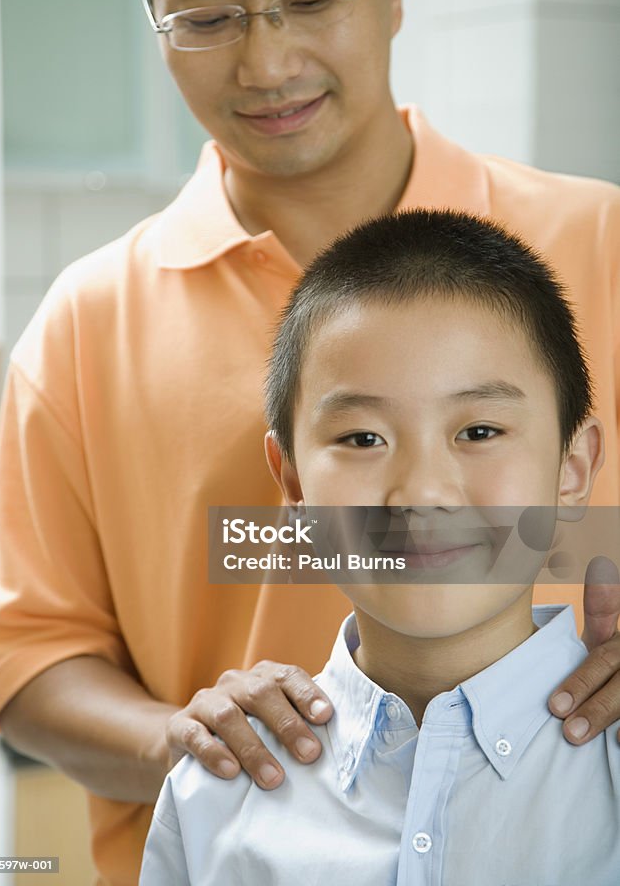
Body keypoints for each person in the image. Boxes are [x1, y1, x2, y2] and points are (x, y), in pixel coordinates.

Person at [0, 0, 620, 883]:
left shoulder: (600, 246)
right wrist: (188, 741)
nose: (266, 62)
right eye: (206, 16)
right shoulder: (85, 328)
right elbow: (26, 659)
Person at [139, 210, 619, 885]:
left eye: (479, 431)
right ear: (295, 484)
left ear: (571, 468)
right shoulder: (217, 790)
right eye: (362, 439)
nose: (421, 491)